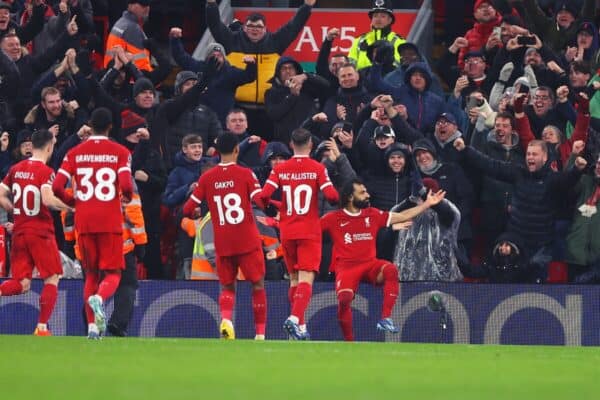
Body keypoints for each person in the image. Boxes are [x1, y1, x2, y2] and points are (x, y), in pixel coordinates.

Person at [321, 178, 445, 341]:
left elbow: (401, 216)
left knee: (391, 269)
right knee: (344, 299)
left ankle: (385, 318)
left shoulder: (372, 214)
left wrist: (427, 204)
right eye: (362, 192)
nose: (368, 195)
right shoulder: (332, 218)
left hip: (370, 264)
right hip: (346, 267)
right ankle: (349, 342)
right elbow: (311, 232)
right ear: (351, 197)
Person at [52, 107, 133, 339]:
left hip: (84, 220)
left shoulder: (75, 153)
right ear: (110, 127)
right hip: (109, 220)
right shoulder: (120, 152)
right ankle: (100, 297)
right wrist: (124, 196)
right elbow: (127, 186)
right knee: (114, 274)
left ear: (90, 125)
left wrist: (74, 201)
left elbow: (57, 187)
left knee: (90, 275)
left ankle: (91, 328)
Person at [182, 132, 267, 340]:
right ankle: (260, 335)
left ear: (218, 152)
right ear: (237, 149)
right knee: (257, 285)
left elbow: (188, 207)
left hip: (223, 241)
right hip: (247, 240)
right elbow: (261, 201)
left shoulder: (207, 177)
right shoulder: (246, 174)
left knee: (227, 286)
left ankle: (226, 320)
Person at [259, 128, 339, 339]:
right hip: (309, 231)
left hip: (287, 231)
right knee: (306, 278)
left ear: (291, 145)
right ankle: (294, 318)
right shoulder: (318, 168)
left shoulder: (280, 169)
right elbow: (331, 196)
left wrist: (275, 207)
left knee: (294, 279)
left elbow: (263, 195)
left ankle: (301, 328)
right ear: (311, 145)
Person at [0, 129, 72, 336]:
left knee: (21, 284)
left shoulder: (16, 168)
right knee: (52, 278)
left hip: (20, 231)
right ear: (50, 147)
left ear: (31, 146)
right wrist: (71, 207)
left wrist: (13, 209)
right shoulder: (46, 172)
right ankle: (41, 327)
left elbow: (1, 194)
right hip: (40, 232)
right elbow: (48, 200)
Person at [347, 0, 406, 71]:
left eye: (383, 16)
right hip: (362, 80)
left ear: (390, 20)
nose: (378, 19)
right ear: (371, 19)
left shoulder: (400, 42)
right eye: (375, 16)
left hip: (388, 80)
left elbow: (399, 68)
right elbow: (350, 66)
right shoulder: (359, 40)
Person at [104, 0, 153, 71]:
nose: (147, 8)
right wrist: (149, 80)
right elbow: (141, 65)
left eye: (148, 4)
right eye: (142, 5)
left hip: (113, 74)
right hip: (127, 77)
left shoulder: (121, 22)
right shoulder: (132, 28)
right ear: (131, 5)